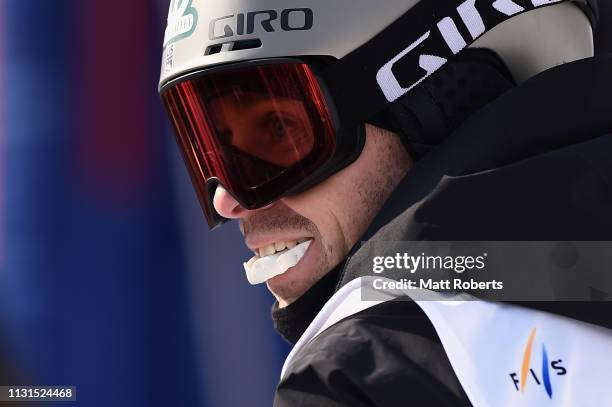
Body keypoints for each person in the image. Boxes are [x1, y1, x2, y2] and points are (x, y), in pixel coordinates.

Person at [159, 0, 612, 405]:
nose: (227, 200)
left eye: (281, 132)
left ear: (443, 99)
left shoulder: (358, 376)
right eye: (213, 149)